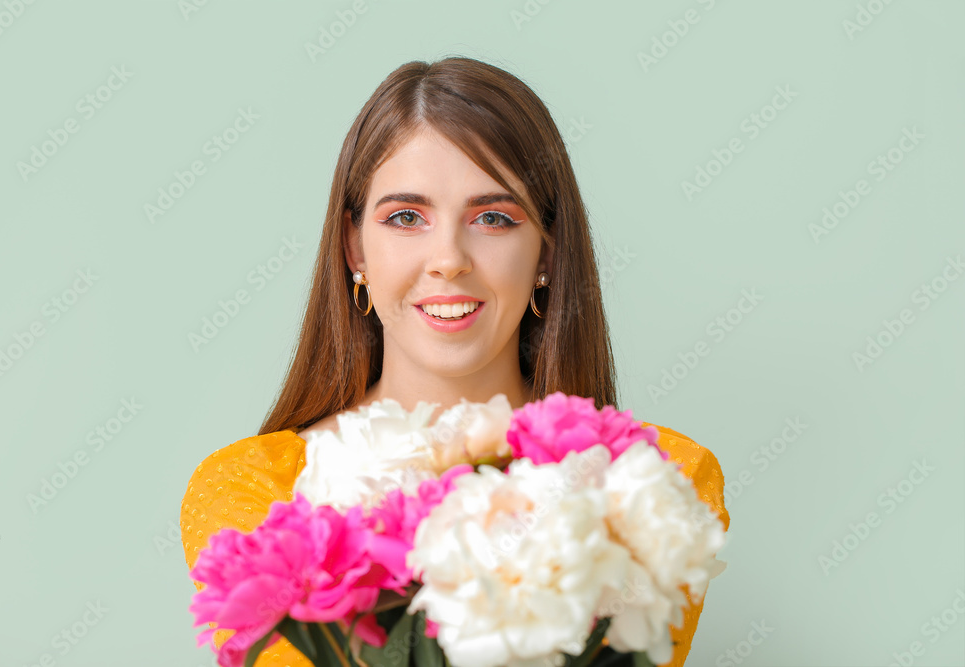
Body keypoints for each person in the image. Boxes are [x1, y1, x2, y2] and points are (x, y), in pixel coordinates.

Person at [180, 55, 729, 667]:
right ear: (354, 247)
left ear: (546, 253)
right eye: (406, 218)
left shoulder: (657, 484)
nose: (448, 258)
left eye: (492, 218)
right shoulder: (253, 497)